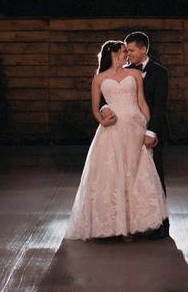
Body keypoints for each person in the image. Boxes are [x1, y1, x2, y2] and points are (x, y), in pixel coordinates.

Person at [64, 39, 168, 241]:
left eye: (128, 52)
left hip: (135, 129)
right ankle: (113, 225)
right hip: (112, 131)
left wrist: (149, 130)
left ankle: (131, 226)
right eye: (123, 52)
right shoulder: (99, 79)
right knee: (112, 173)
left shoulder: (135, 74)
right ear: (112, 53)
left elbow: (142, 103)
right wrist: (102, 120)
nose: (127, 55)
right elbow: (96, 108)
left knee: (135, 172)